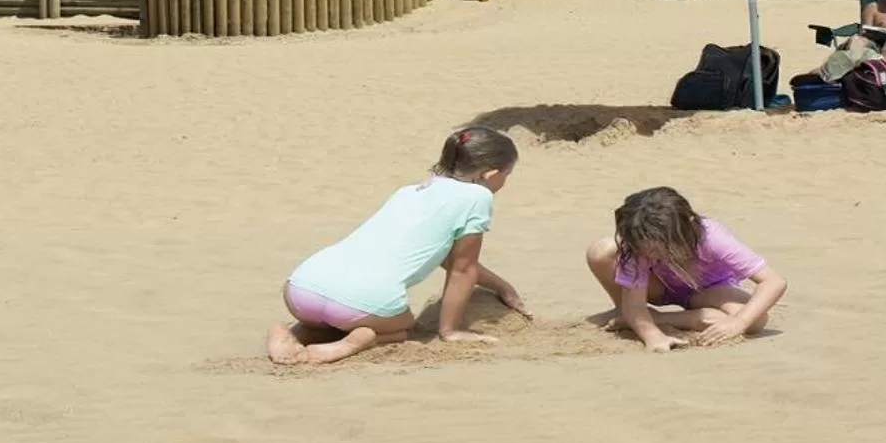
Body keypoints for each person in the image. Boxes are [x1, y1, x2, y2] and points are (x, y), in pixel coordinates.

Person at [268, 125, 528, 367]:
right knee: (403, 326)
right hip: (362, 300)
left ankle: (294, 333)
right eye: (507, 175)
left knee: (336, 313)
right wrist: (451, 330)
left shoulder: (410, 191)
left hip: (302, 288)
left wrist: (502, 287)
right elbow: (462, 269)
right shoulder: (477, 196)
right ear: (491, 174)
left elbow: (445, 257)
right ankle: (349, 344)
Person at [585, 186, 787, 352]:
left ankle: (656, 317)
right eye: (648, 250)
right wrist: (653, 337)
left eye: (661, 248)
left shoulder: (713, 238)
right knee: (601, 250)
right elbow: (636, 305)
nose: (655, 255)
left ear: (689, 226)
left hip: (709, 290)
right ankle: (625, 310)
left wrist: (738, 323)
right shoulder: (639, 246)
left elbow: (773, 281)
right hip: (657, 287)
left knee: (756, 320)